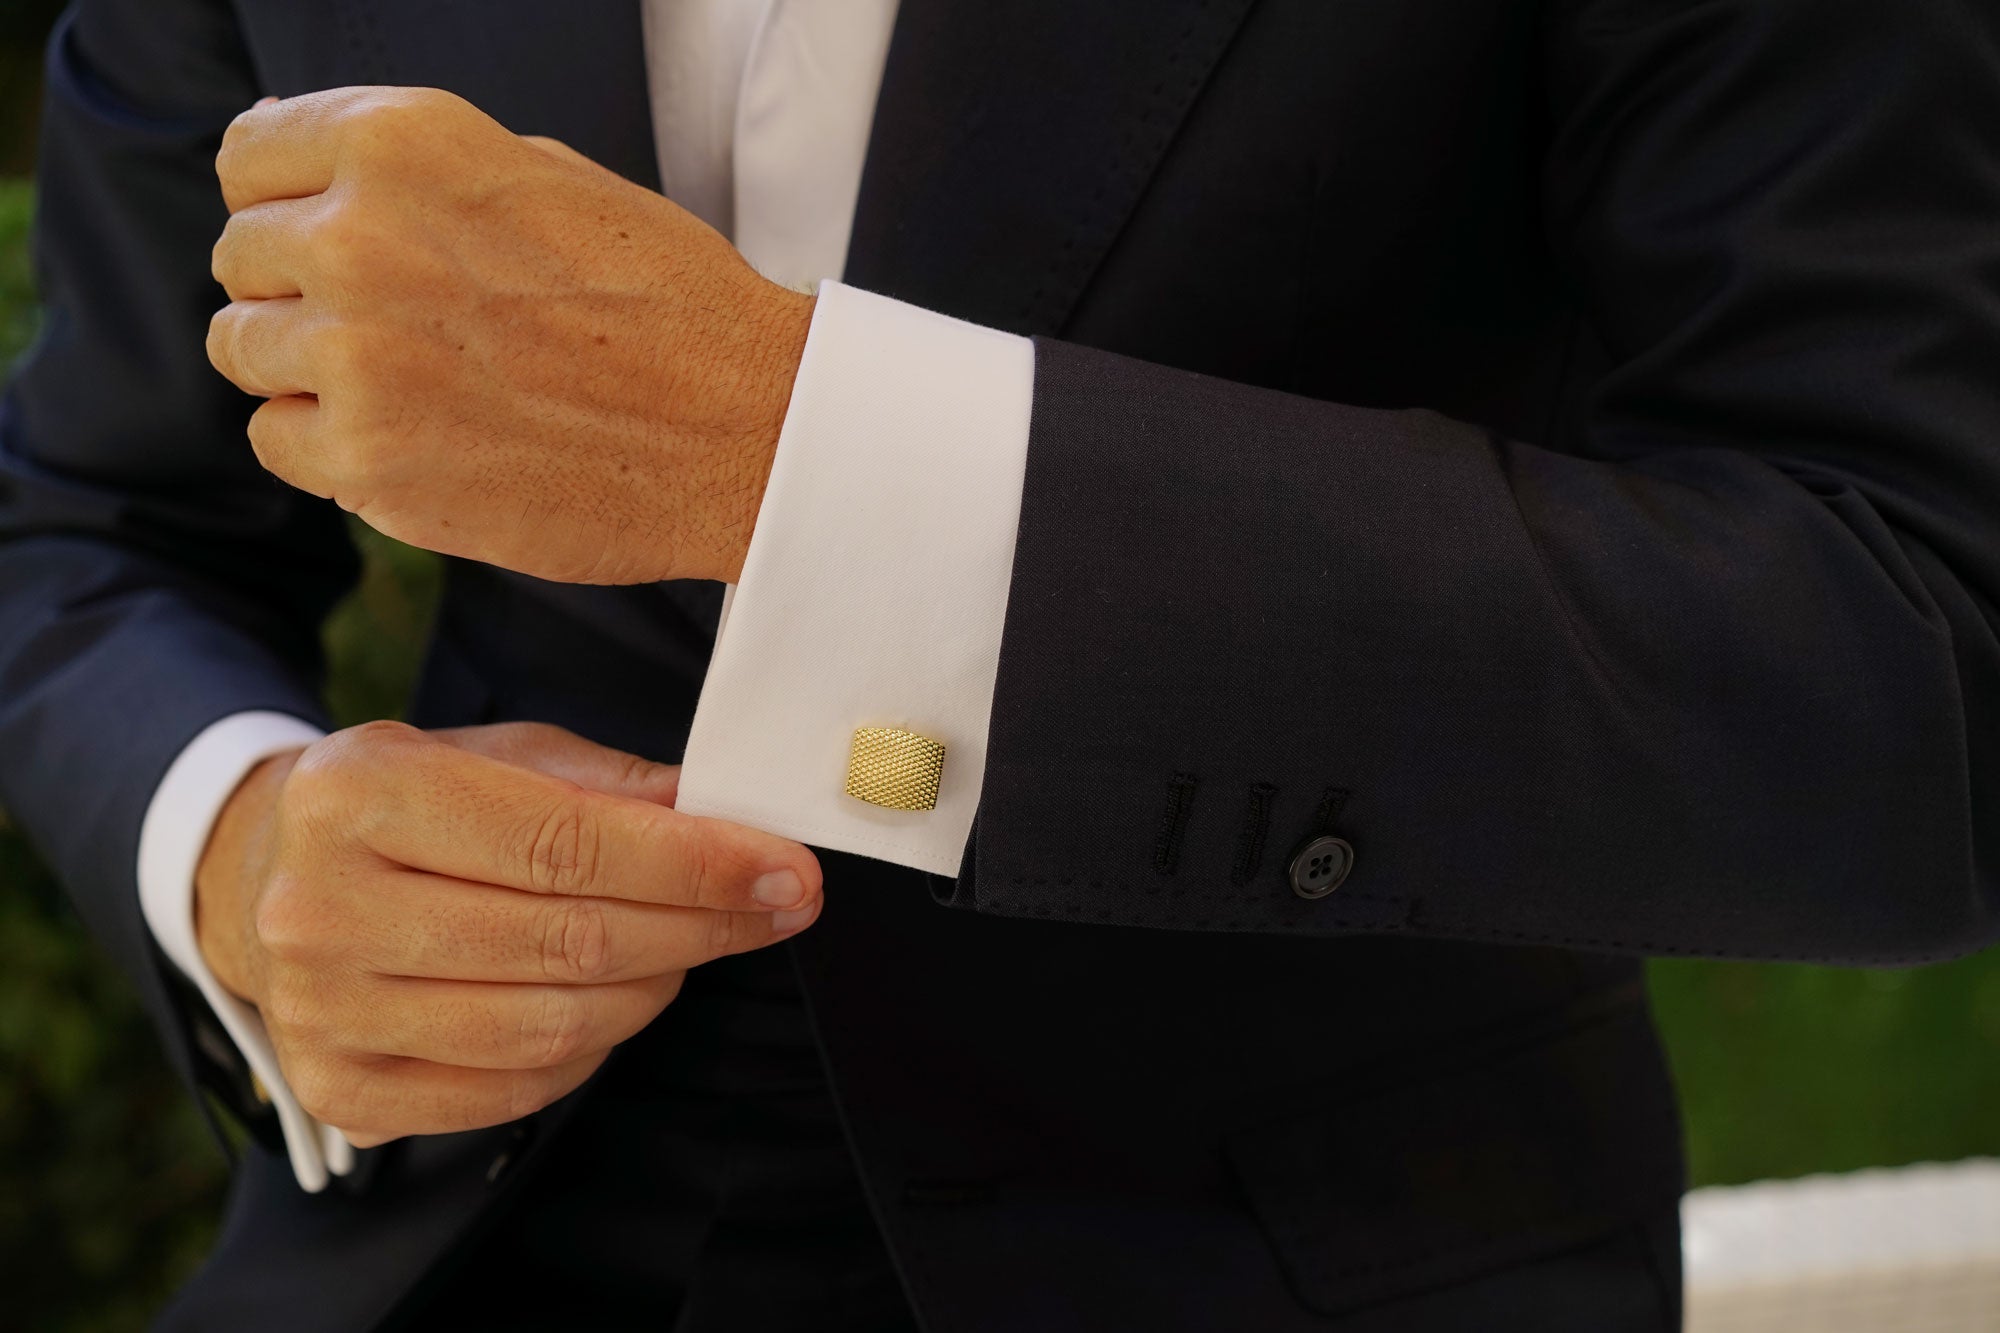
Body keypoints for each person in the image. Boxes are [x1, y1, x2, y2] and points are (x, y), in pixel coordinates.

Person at [3, 0, 1997, 1328]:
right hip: (451, 1249)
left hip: (1305, 1254)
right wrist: (236, 847)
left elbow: (1916, 666)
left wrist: (797, 447)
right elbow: (81, 517)